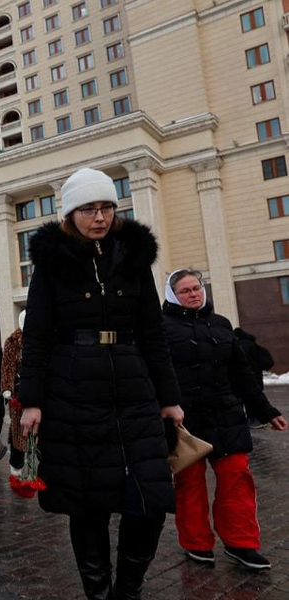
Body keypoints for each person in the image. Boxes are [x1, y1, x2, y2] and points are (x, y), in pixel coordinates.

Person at [18, 168, 184, 600]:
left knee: (150, 502)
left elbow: (153, 334)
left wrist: (170, 399)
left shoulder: (134, 258)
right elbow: (35, 338)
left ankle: (127, 590)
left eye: (107, 206)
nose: (100, 217)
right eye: (89, 208)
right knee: (87, 506)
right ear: (71, 213)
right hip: (73, 393)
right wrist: (31, 401)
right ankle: (98, 592)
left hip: (135, 390)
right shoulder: (51, 265)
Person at [161, 269, 288, 570]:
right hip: (185, 421)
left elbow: (242, 374)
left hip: (227, 417)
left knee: (237, 479)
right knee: (189, 485)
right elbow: (155, 375)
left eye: (197, 288)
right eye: (185, 290)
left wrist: (267, 410)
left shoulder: (221, 324)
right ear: (171, 295)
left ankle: (241, 543)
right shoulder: (160, 328)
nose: (194, 294)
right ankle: (196, 543)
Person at [1, 310, 27, 476]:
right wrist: (7, 388)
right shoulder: (12, 342)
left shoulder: (43, 338)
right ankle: (17, 462)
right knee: (18, 428)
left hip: (40, 390)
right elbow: (8, 367)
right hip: (19, 392)